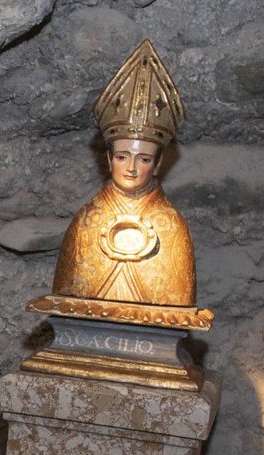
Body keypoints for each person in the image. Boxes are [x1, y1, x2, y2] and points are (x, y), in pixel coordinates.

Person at [50, 40, 197, 310]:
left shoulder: (171, 226)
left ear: (158, 163)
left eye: (143, 159)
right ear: (108, 158)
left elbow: (177, 309)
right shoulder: (87, 222)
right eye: (122, 157)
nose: (131, 168)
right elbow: (66, 302)